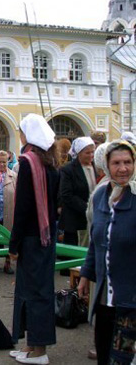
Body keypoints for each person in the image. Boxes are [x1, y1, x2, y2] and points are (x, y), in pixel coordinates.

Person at [78, 140, 136, 365]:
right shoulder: (100, 196)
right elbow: (96, 241)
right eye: (116, 163)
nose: (123, 169)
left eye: (128, 162)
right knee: (103, 352)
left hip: (130, 299)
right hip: (104, 296)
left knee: (122, 358)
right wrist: (85, 275)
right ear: (107, 165)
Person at [8, 114, 59, 364]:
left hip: (31, 238)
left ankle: (40, 351)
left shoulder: (28, 162)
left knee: (35, 293)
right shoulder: (50, 162)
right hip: (46, 235)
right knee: (34, 291)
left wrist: (13, 243)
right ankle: (31, 345)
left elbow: (23, 208)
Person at [59, 137, 96, 248]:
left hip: (93, 218)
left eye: (92, 152)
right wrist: (87, 208)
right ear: (79, 153)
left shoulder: (96, 167)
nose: (91, 155)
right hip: (75, 220)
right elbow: (67, 195)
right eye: (87, 153)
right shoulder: (68, 170)